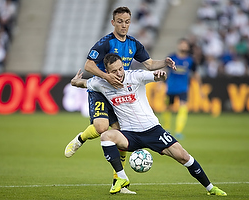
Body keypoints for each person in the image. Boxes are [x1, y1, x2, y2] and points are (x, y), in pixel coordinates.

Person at [71, 53, 227, 196]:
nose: (119, 73)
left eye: (120, 69)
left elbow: (155, 76)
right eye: (114, 71)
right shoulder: (101, 83)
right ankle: (122, 177)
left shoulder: (135, 76)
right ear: (106, 71)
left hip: (152, 130)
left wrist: (160, 75)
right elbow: (84, 83)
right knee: (106, 136)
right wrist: (75, 81)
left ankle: (210, 188)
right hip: (129, 134)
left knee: (183, 156)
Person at [64, 6, 175, 193]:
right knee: (101, 128)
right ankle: (80, 139)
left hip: (120, 91)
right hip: (102, 88)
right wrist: (106, 77)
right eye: (120, 21)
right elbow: (88, 65)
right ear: (113, 22)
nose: (124, 25)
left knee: (121, 133)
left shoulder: (134, 44)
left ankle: (119, 181)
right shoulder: (105, 43)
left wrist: (164, 62)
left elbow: (148, 64)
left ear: (130, 22)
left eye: (127, 22)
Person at [161, 38, 202, 139]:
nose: (183, 46)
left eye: (185, 44)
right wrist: (160, 82)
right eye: (182, 44)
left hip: (183, 88)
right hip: (170, 87)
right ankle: (167, 128)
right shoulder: (172, 57)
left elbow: (196, 74)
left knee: (183, 107)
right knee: (167, 108)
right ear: (178, 45)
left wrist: (200, 88)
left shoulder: (191, 60)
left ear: (188, 47)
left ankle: (179, 131)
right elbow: (164, 69)